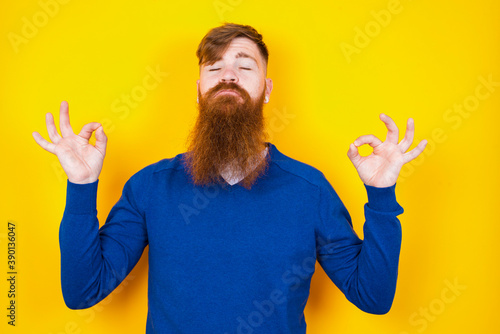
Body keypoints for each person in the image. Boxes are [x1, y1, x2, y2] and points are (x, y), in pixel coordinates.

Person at [32, 23, 427, 333]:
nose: (228, 76)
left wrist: (381, 195)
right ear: (199, 89)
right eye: (215, 67)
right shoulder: (149, 187)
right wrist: (82, 187)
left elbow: (373, 297)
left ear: (267, 89)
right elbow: (83, 292)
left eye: (244, 65)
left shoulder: (310, 191)